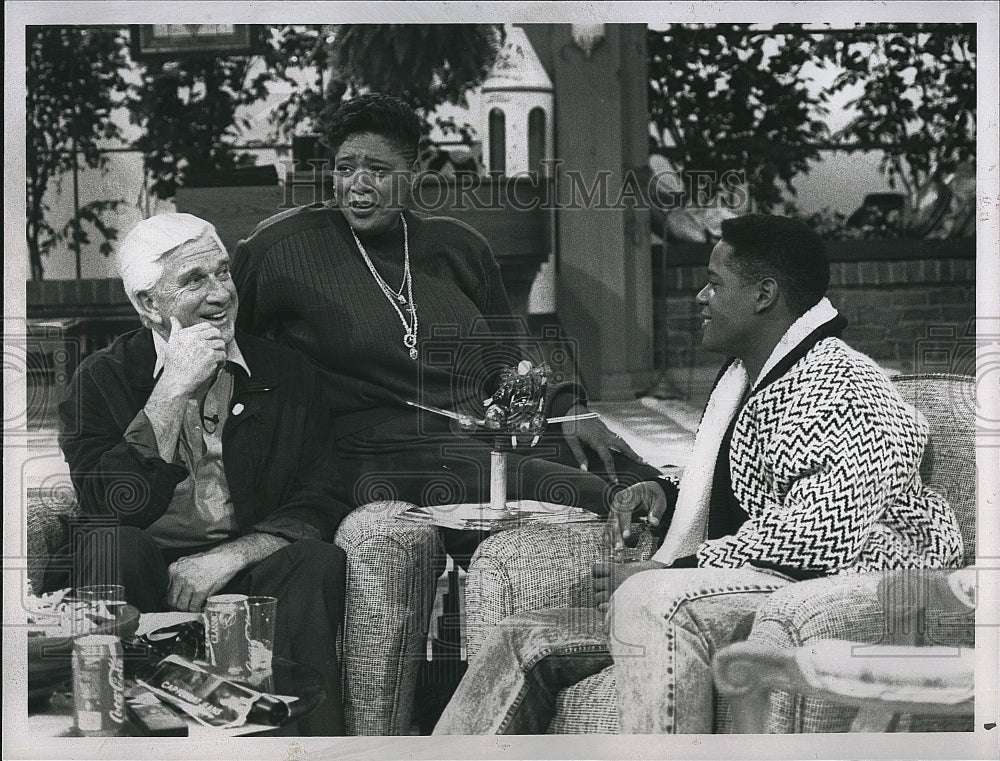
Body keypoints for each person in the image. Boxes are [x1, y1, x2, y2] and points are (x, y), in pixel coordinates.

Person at [433, 213, 964, 734]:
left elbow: (818, 536)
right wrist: (664, 493)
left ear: (764, 295)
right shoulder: (747, 379)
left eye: (714, 284)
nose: (700, 299)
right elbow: (743, 486)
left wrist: (673, 568)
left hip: (842, 586)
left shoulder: (843, 389)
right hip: (761, 576)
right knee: (520, 638)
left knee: (646, 599)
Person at [231, 93, 664, 531]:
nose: (357, 184)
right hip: (371, 450)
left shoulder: (456, 245)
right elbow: (233, 355)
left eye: (378, 171)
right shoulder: (279, 249)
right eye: (345, 168)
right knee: (573, 486)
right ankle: (609, 504)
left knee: (636, 474)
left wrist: (567, 408)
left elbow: (510, 356)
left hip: (481, 427)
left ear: (413, 175)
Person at [57, 213, 352, 735]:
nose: (220, 295)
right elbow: (105, 506)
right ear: (148, 304)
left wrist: (229, 557)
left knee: (317, 560)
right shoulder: (100, 379)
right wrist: (171, 390)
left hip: (246, 563)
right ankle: (123, 736)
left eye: (223, 273)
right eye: (194, 281)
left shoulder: (285, 373)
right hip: (144, 563)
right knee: (109, 547)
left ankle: (301, 744)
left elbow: (322, 495)